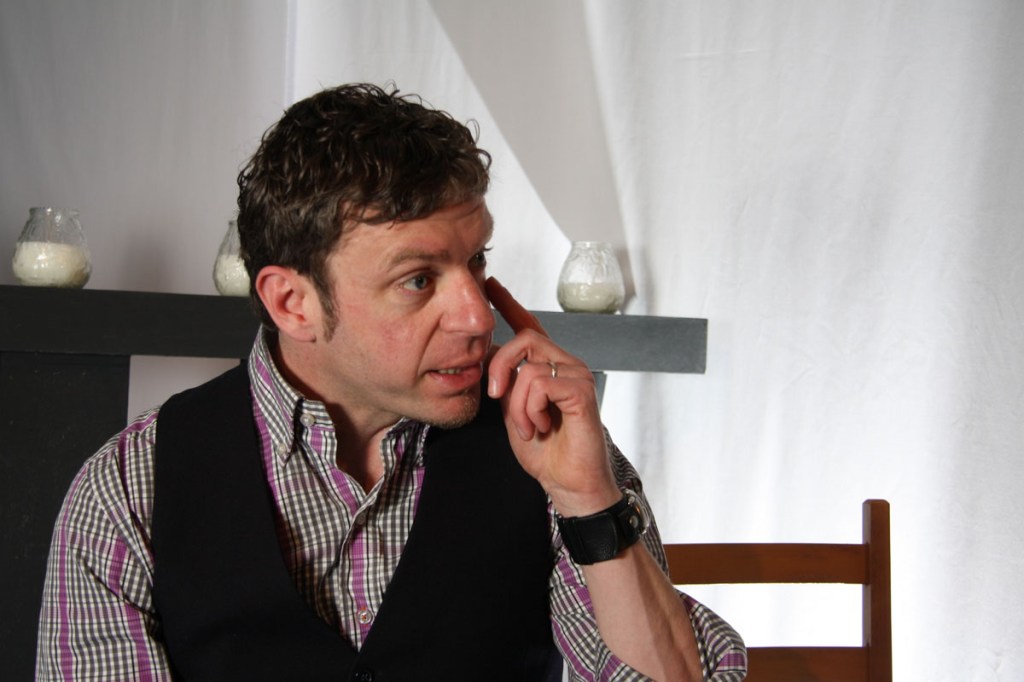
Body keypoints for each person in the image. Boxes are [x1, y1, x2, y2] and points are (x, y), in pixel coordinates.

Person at [35, 83, 746, 681]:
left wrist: (589, 499)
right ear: (294, 303)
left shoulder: (552, 447)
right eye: (418, 279)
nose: (477, 315)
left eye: (476, 261)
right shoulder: (129, 491)